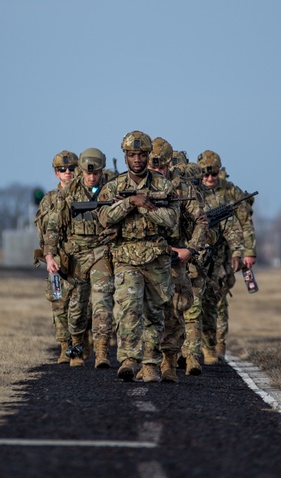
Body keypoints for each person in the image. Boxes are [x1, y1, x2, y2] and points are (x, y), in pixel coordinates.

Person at [98, 131, 179, 383]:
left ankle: (151, 362)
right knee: (129, 308)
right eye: (132, 155)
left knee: (155, 313)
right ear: (125, 157)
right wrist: (130, 202)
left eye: (142, 154)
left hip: (155, 258)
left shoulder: (163, 186)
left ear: (148, 156)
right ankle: (129, 360)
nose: (137, 159)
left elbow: (172, 222)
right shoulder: (114, 187)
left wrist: (147, 207)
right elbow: (104, 218)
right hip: (126, 257)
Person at [42, 148, 115, 368]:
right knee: (75, 307)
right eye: (87, 172)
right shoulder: (67, 195)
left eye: (96, 172)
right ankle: (74, 347)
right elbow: (52, 227)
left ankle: (102, 352)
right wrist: (49, 256)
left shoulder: (111, 190)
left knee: (102, 302)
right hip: (75, 257)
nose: (91, 177)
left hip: (101, 252)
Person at [148, 137, 208, 381]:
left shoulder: (183, 189)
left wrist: (191, 250)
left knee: (175, 312)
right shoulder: (137, 187)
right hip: (145, 260)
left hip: (175, 260)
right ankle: (147, 362)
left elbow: (201, 221)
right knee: (147, 313)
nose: (158, 170)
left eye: (162, 165)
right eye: (154, 166)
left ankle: (169, 362)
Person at [195, 150, 256, 364]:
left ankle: (217, 343)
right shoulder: (193, 191)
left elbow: (245, 223)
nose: (210, 179)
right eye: (205, 174)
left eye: (214, 174)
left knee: (217, 299)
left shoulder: (231, 192)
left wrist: (246, 252)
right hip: (197, 253)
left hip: (225, 253)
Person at [34, 150, 78, 364]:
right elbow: (42, 230)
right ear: (56, 173)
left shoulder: (87, 195)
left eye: (71, 169)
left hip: (80, 258)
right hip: (56, 260)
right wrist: (48, 256)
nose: (68, 173)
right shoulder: (48, 200)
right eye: (63, 169)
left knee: (82, 306)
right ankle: (64, 346)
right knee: (58, 303)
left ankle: (79, 346)